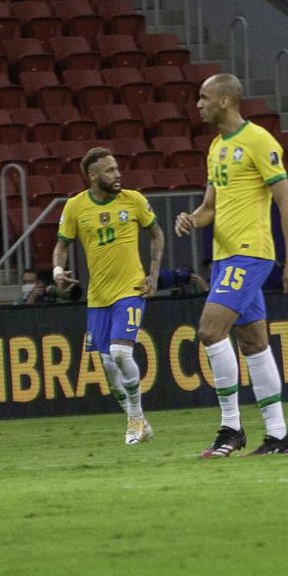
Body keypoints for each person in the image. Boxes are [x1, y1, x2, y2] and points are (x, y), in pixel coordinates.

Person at [174, 73, 288, 458]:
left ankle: (231, 428)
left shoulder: (259, 140)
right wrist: (192, 219)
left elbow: (286, 201)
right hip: (224, 257)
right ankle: (278, 436)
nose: (198, 104)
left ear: (225, 101)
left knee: (210, 329)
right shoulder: (216, 147)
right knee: (254, 343)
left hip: (250, 254)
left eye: (204, 97)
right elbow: (210, 208)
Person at [52, 146, 165, 445]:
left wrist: (153, 275)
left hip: (130, 290)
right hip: (98, 297)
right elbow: (62, 245)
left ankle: (135, 420)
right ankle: (139, 422)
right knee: (108, 367)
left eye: (117, 168)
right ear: (93, 176)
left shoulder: (134, 200)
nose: (117, 174)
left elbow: (157, 233)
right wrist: (57, 271)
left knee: (119, 353)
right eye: (110, 170)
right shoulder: (75, 207)